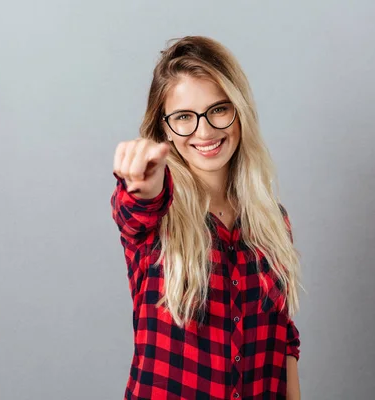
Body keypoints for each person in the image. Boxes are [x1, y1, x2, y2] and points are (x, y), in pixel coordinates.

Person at [111, 36, 303, 400]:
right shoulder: (157, 217)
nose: (205, 131)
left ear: (239, 111)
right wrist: (140, 184)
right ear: (164, 127)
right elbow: (133, 213)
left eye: (218, 109)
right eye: (184, 117)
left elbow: (284, 338)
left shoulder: (273, 221)